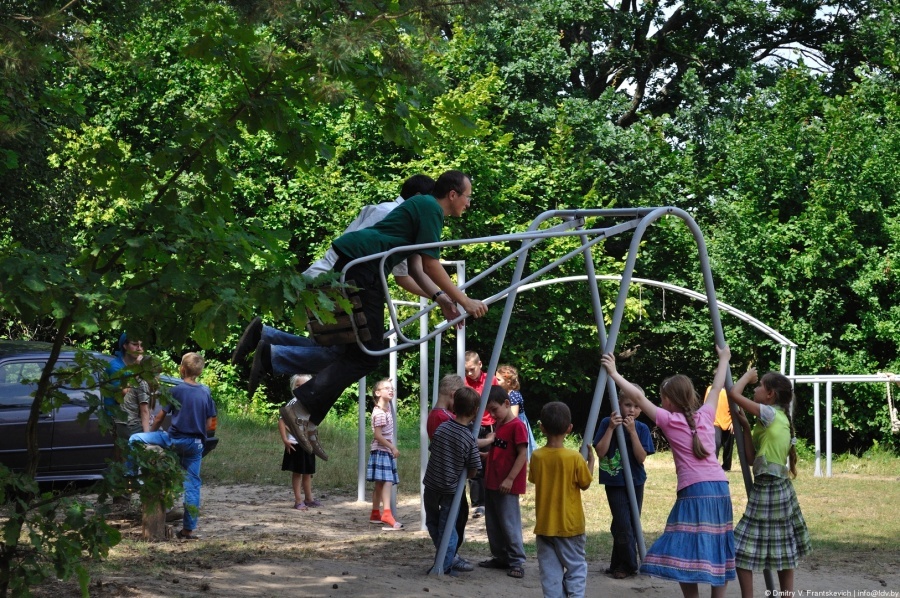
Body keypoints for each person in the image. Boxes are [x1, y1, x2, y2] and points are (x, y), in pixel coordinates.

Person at [281, 170, 489, 461]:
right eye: (468, 197)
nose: (468, 203)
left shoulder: (423, 209)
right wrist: (464, 300)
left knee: (356, 353)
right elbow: (431, 265)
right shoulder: (431, 208)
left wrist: (442, 299)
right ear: (452, 194)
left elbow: (416, 268)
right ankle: (300, 405)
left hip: (363, 264)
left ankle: (310, 418)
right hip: (364, 265)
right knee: (369, 354)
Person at [231, 175, 454, 394]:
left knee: (335, 349)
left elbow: (404, 274)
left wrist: (440, 296)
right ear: (418, 198)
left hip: (334, 276)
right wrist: (442, 296)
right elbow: (394, 272)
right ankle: (271, 355)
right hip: (337, 280)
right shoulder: (397, 217)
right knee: (343, 354)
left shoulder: (389, 212)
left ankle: (265, 337)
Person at [601, 347, 735, 598]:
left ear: (669, 401)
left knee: (683, 546)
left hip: (694, 491)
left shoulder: (669, 420)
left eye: (662, 398)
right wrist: (724, 358)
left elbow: (638, 398)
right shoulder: (706, 414)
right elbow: (717, 388)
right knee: (718, 543)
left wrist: (615, 373)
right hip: (720, 488)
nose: (661, 402)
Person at [727, 368, 812, 598]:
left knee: (740, 547)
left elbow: (733, 393)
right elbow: (751, 459)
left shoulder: (770, 413)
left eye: (759, 386)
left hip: (770, 488)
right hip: (773, 487)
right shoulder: (768, 419)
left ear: (770, 394)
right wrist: (746, 428)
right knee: (782, 550)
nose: (755, 388)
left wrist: (747, 377)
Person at [130, 352, 217, 540]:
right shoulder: (206, 392)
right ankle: (188, 530)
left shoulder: (176, 390)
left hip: (174, 439)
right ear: (200, 372)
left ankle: (132, 475)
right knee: (192, 486)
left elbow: (159, 417)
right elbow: (209, 423)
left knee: (134, 438)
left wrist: (151, 434)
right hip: (195, 444)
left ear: (182, 369)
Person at [529, 401, 594, 598]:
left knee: (550, 574)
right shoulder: (574, 458)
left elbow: (535, 479)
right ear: (569, 428)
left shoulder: (537, 456)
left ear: (542, 428)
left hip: (545, 526)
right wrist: (590, 462)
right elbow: (585, 484)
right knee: (575, 568)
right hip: (570, 526)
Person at [592, 388, 655, 579]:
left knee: (628, 523)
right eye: (628, 405)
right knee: (622, 524)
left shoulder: (641, 428)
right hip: (615, 481)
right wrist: (611, 428)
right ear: (618, 404)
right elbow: (600, 452)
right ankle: (629, 565)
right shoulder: (607, 423)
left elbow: (641, 458)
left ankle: (617, 565)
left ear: (642, 408)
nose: (632, 410)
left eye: (636, 406)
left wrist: (632, 432)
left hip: (636, 481)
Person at [423, 385, 482, 576]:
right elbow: (473, 470)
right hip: (449, 490)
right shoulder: (469, 438)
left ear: (454, 406)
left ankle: (443, 558)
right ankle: (445, 564)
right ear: (475, 411)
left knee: (432, 522)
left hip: (431, 485)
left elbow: (434, 450)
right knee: (448, 528)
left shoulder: (442, 428)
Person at [477, 385, 528, 579]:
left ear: (507, 403)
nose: (492, 414)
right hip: (492, 481)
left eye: (494, 409)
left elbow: (522, 455)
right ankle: (500, 557)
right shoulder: (499, 425)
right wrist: (487, 456)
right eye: (488, 411)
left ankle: (516, 561)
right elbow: (501, 449)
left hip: (506, 485)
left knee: (508, 523)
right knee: (493, 523)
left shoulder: (517, 426)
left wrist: (510, 479)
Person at [279, 374, 322, 511]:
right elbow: (282, 420)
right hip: (295, 443)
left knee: (308, 472)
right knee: (297, 472)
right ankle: (298, 500)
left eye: (305, 385)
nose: (301, 388)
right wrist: (285, 439)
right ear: (294, 387)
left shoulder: (311, 403)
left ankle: (309, 498)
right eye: (298, 385)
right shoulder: (293, 403)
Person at [367, 378, 403, 530]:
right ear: (377, 393)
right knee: (388, 481)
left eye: (392, 388)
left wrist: (385, 383)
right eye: (387, 388)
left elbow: (384, 394)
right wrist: (392, 447)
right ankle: (387, 513)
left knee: (380, 484)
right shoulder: (380, 413)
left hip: (380, 451)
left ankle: (375, 513)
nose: (391, 390)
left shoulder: (385, 409)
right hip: (382, 450)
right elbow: (377, 435)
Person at [464, 350, 497, 518]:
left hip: (490, 426)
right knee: (474, 464)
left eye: (472, 369)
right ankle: (478, 503)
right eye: (466, 370)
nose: (469, 373)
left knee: (491, 462)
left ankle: (491, 500)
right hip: (472, 425)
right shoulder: (464, 382)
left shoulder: (491, 379)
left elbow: (499, 400)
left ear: (480, 364)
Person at [496, 364, 537, 460]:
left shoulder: (514, 395)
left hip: (517, 423)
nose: (495, 381)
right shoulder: (504, 393)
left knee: (518, 444)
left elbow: (514, 416)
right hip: (508, 421)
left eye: (498, 380)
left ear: (508, 382)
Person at [426, 374, 465, 439]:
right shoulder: (446, 417)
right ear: (454, 394)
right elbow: (465, 440)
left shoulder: (431, 414)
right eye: (459, 399)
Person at [711, 387, 734, 471]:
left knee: (728, 446)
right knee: (716, 442)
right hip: (715, 421)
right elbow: (707, 405)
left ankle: (726, 467)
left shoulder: (731, 390)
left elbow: (735, 407)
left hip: (729, 422)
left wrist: (733, 422)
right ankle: (712, 465)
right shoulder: (711, 389)